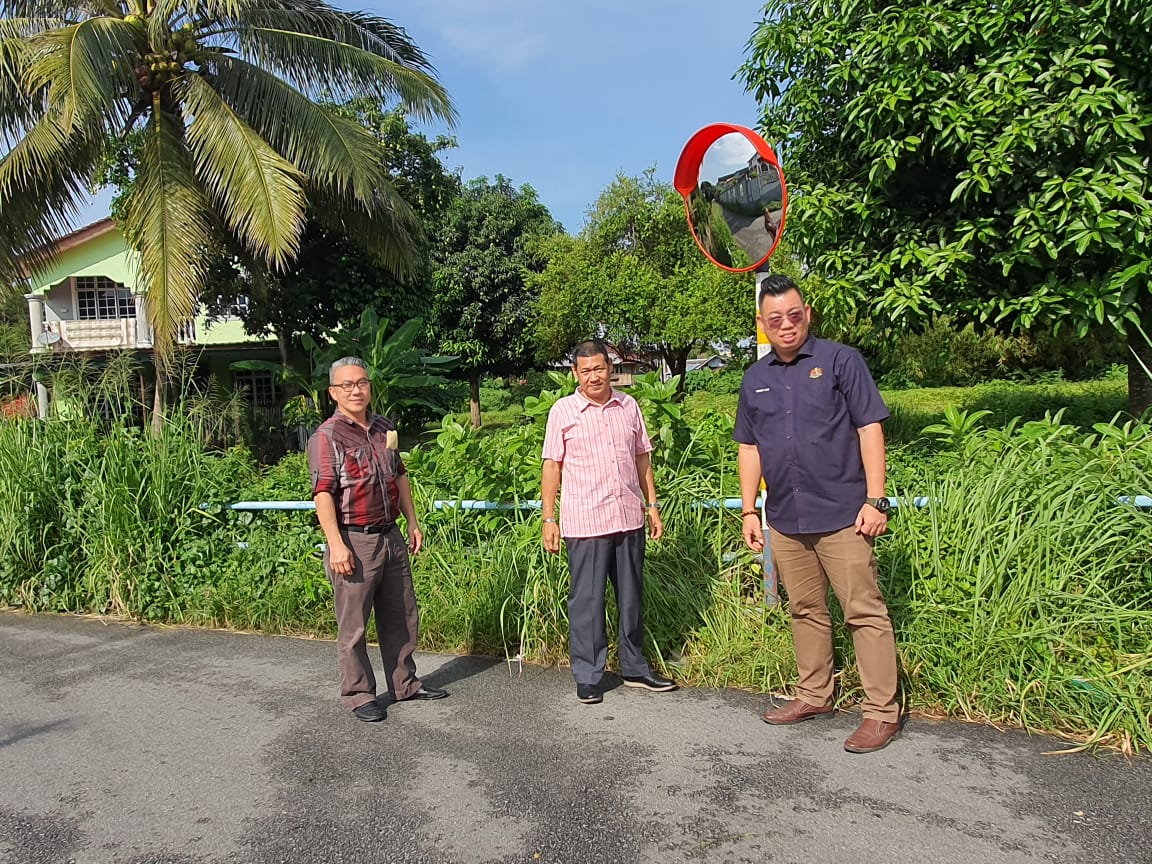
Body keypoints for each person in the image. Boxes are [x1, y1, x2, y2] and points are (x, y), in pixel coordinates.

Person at [734, 275, 901, 753]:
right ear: (762, 325)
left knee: (863, 611)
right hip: (786, 517)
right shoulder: (755, 378)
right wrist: (750, 509)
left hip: (844, 514)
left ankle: (882, 712)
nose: (786, 325)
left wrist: (876, 499)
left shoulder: (840, 361)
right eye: (775, 319)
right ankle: (813, 693)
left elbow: (870, 428)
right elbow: (749, 448)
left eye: (793, 315)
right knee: (805, 609)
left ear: (807, 313)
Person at [307, 356, 447, 722]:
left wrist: (412, 521)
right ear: (333, 392)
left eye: (362, 383)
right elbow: (323, 493)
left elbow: (399, 474)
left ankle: (405, 683)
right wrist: (336, 544)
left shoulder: (384, 427)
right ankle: (358, 694)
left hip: (391, 534)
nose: (356, 390)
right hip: (354, 541)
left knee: (401, 614)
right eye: (347, 385)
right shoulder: (326, 437)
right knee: (354, 625)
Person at [541, 340, 677, 704]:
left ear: (610, 367)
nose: (593, 376)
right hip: (585, 522)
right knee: (586, 600)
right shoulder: (563, 411)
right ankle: (588, 674)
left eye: (599, 368)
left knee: (631, 597)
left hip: (629, 517)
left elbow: (642, 458)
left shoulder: (628, 406)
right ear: (575, 373)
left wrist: (652, 505)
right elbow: (552, 465)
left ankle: (635, 667)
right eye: (585, 371)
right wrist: (548, 518)